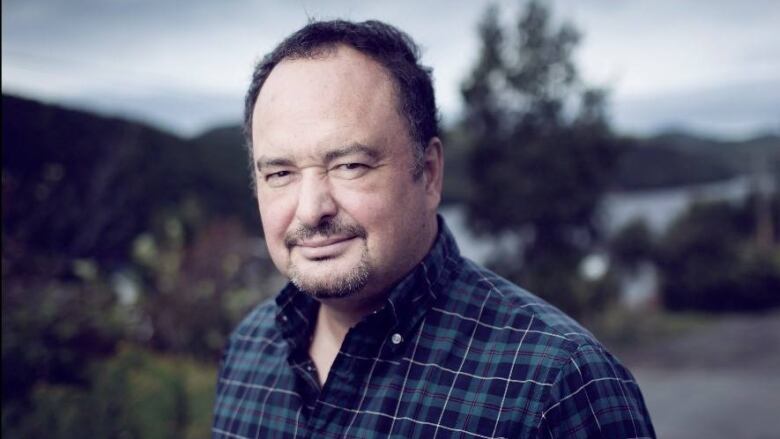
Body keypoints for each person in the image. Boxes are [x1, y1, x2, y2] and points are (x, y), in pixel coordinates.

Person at [213, 19, 655, 439]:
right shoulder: (248, 350)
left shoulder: (559, 386)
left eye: (350, 165)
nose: (310, 210)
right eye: (280, 174)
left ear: (428, 173)